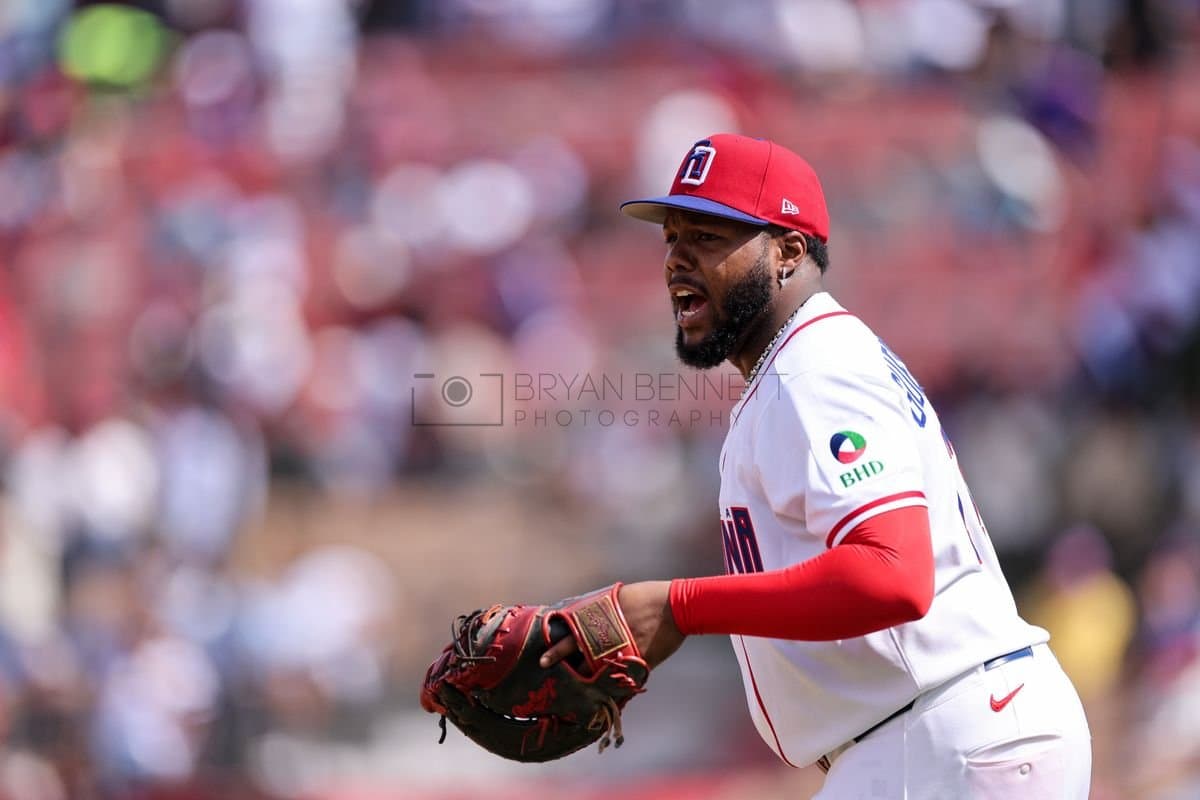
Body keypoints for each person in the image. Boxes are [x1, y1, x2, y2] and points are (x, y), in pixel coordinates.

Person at [539, 133, 1092, 797]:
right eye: (672, 238)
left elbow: (893, 576)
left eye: (708, 238)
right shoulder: (799, 368)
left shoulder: (815, 369)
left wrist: (679, 606)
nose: (678, 260)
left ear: (788, 251)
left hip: (948, 729)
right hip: (932, 732)